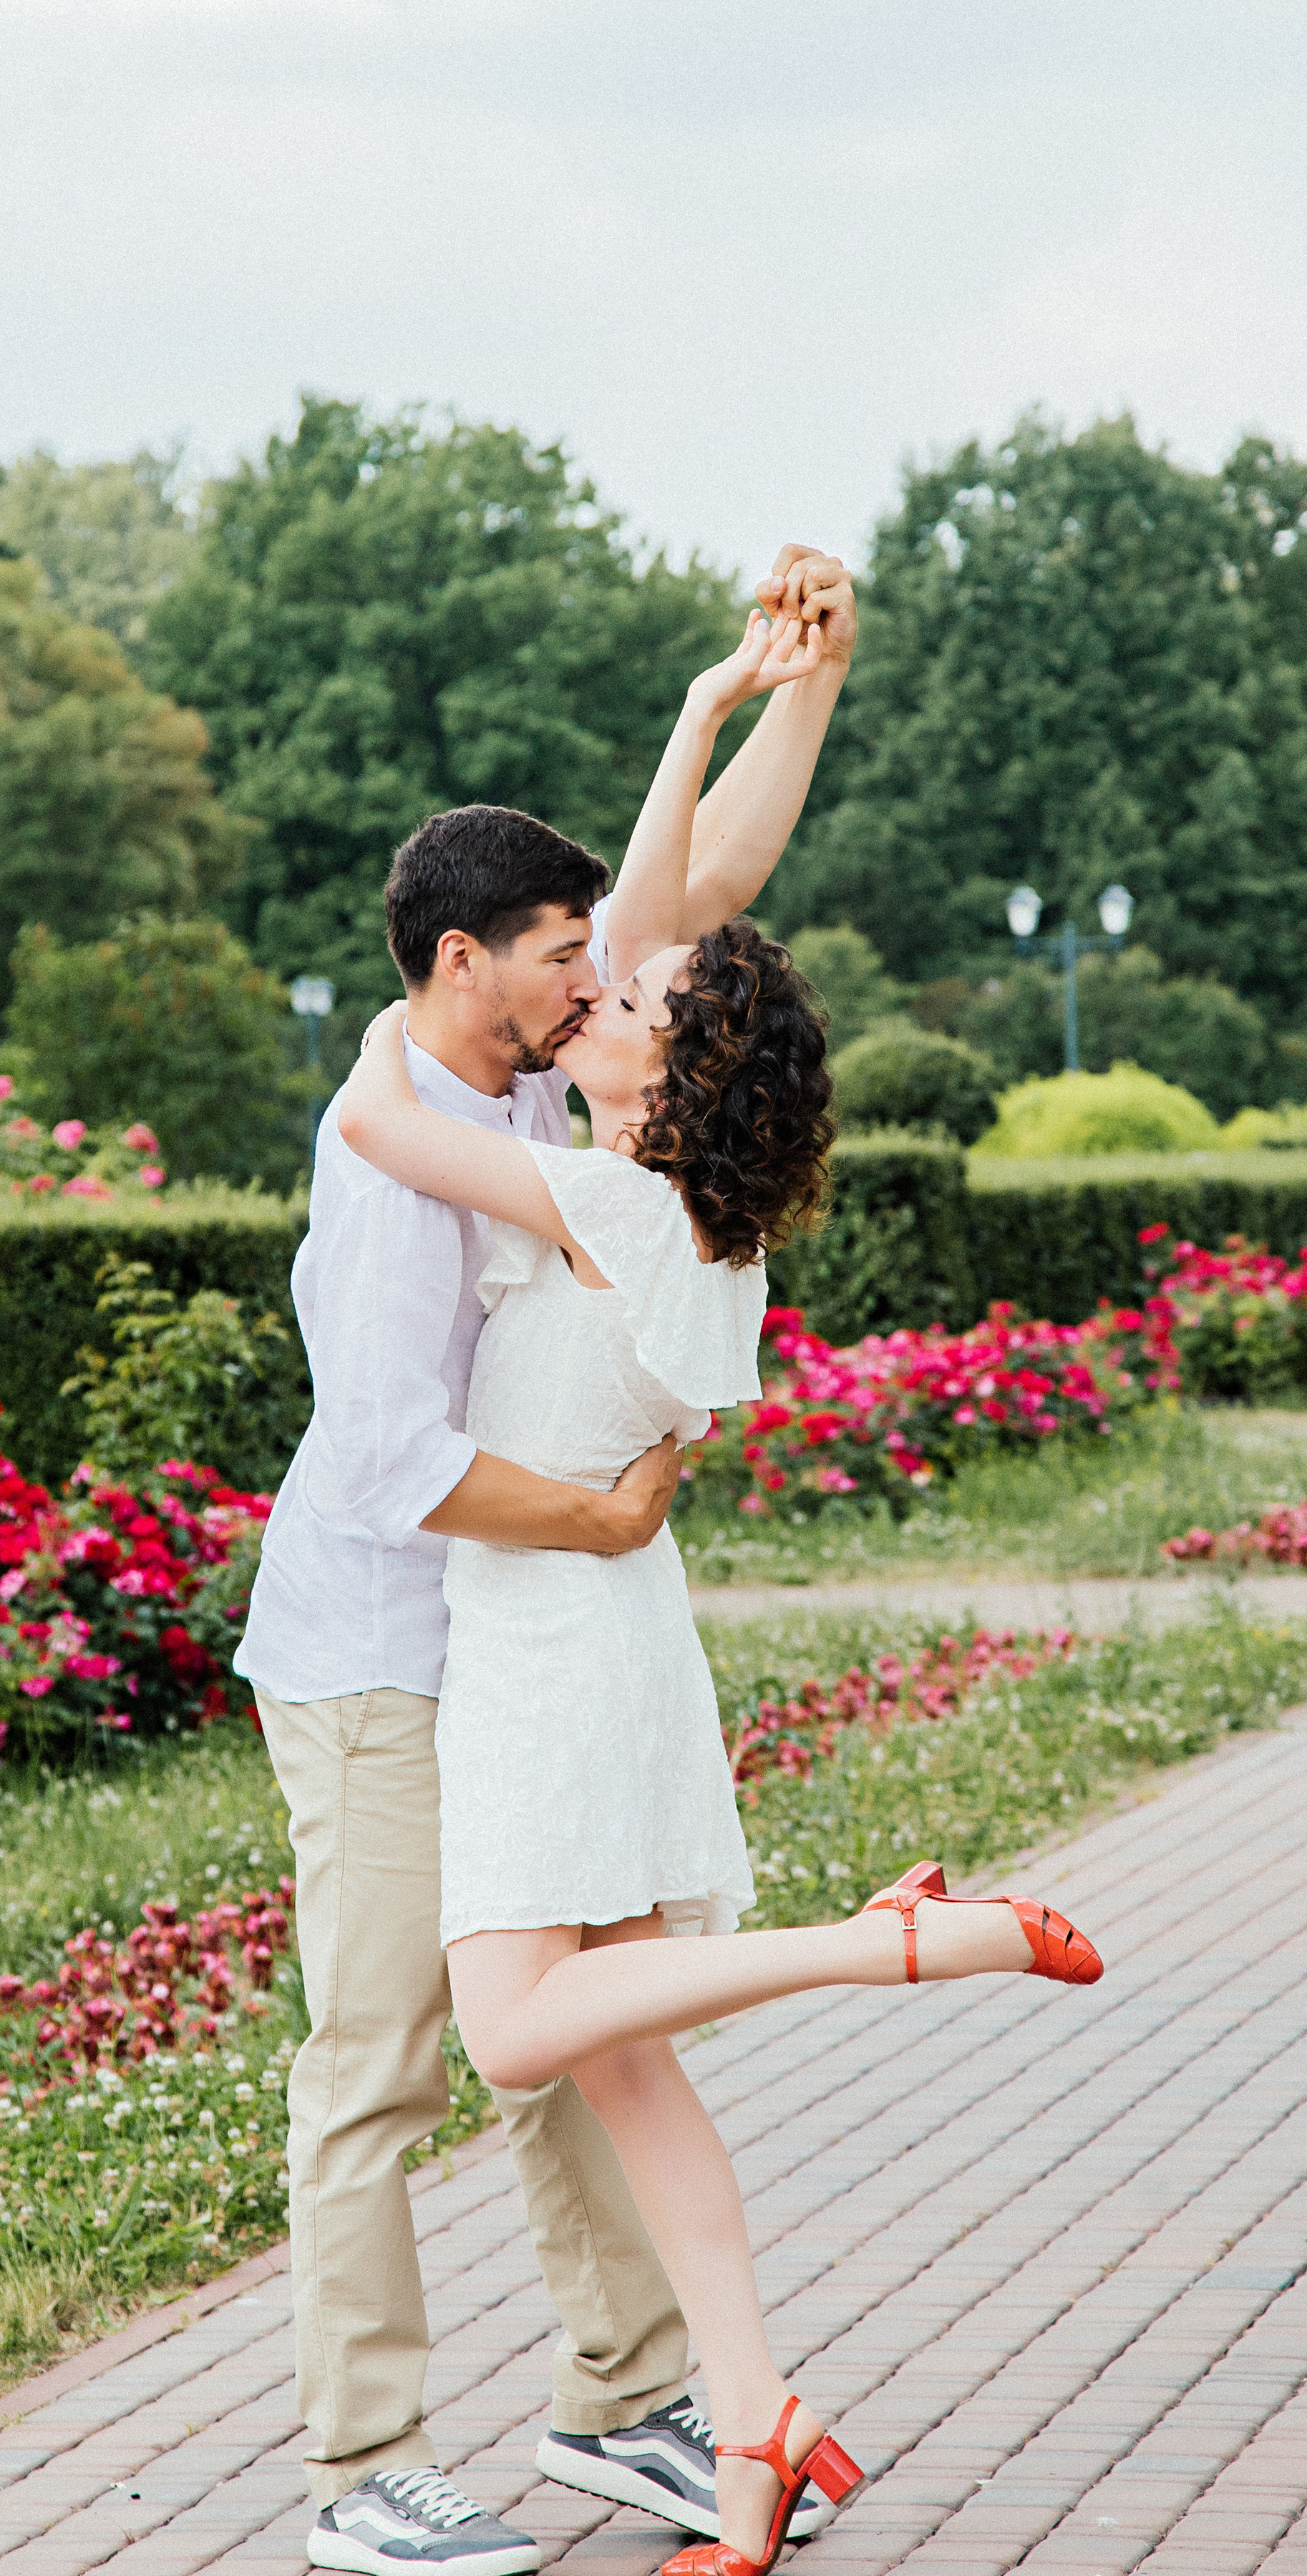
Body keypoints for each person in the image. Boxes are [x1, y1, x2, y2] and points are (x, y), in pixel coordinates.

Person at [332, 643, 1105, 2576]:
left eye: (629, 995)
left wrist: (412, 990)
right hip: (613, 1639)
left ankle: (883, 1948)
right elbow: (667, 908)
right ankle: (755, 2421)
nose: (600, 982)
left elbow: (373, 1123)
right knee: (624, 2070)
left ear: (664, 1070)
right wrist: (710, 709)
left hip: (546, 1656)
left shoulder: (600, 1203)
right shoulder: (690, 1213)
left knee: (520, 2037)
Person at [235, 547, 860, 2576]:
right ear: (457, 968)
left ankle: (626, 2400)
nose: (605, 972)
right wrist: (596, 1519)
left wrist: (777, 692)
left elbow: (708, 886)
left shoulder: (552, 1104)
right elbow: (387, 1452)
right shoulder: (417, 1154)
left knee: (571, 2029)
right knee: (392, 2054)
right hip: (386, 1641)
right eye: (566, 953)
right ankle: (361, 2466)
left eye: (606, 959)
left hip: (517, 1644)